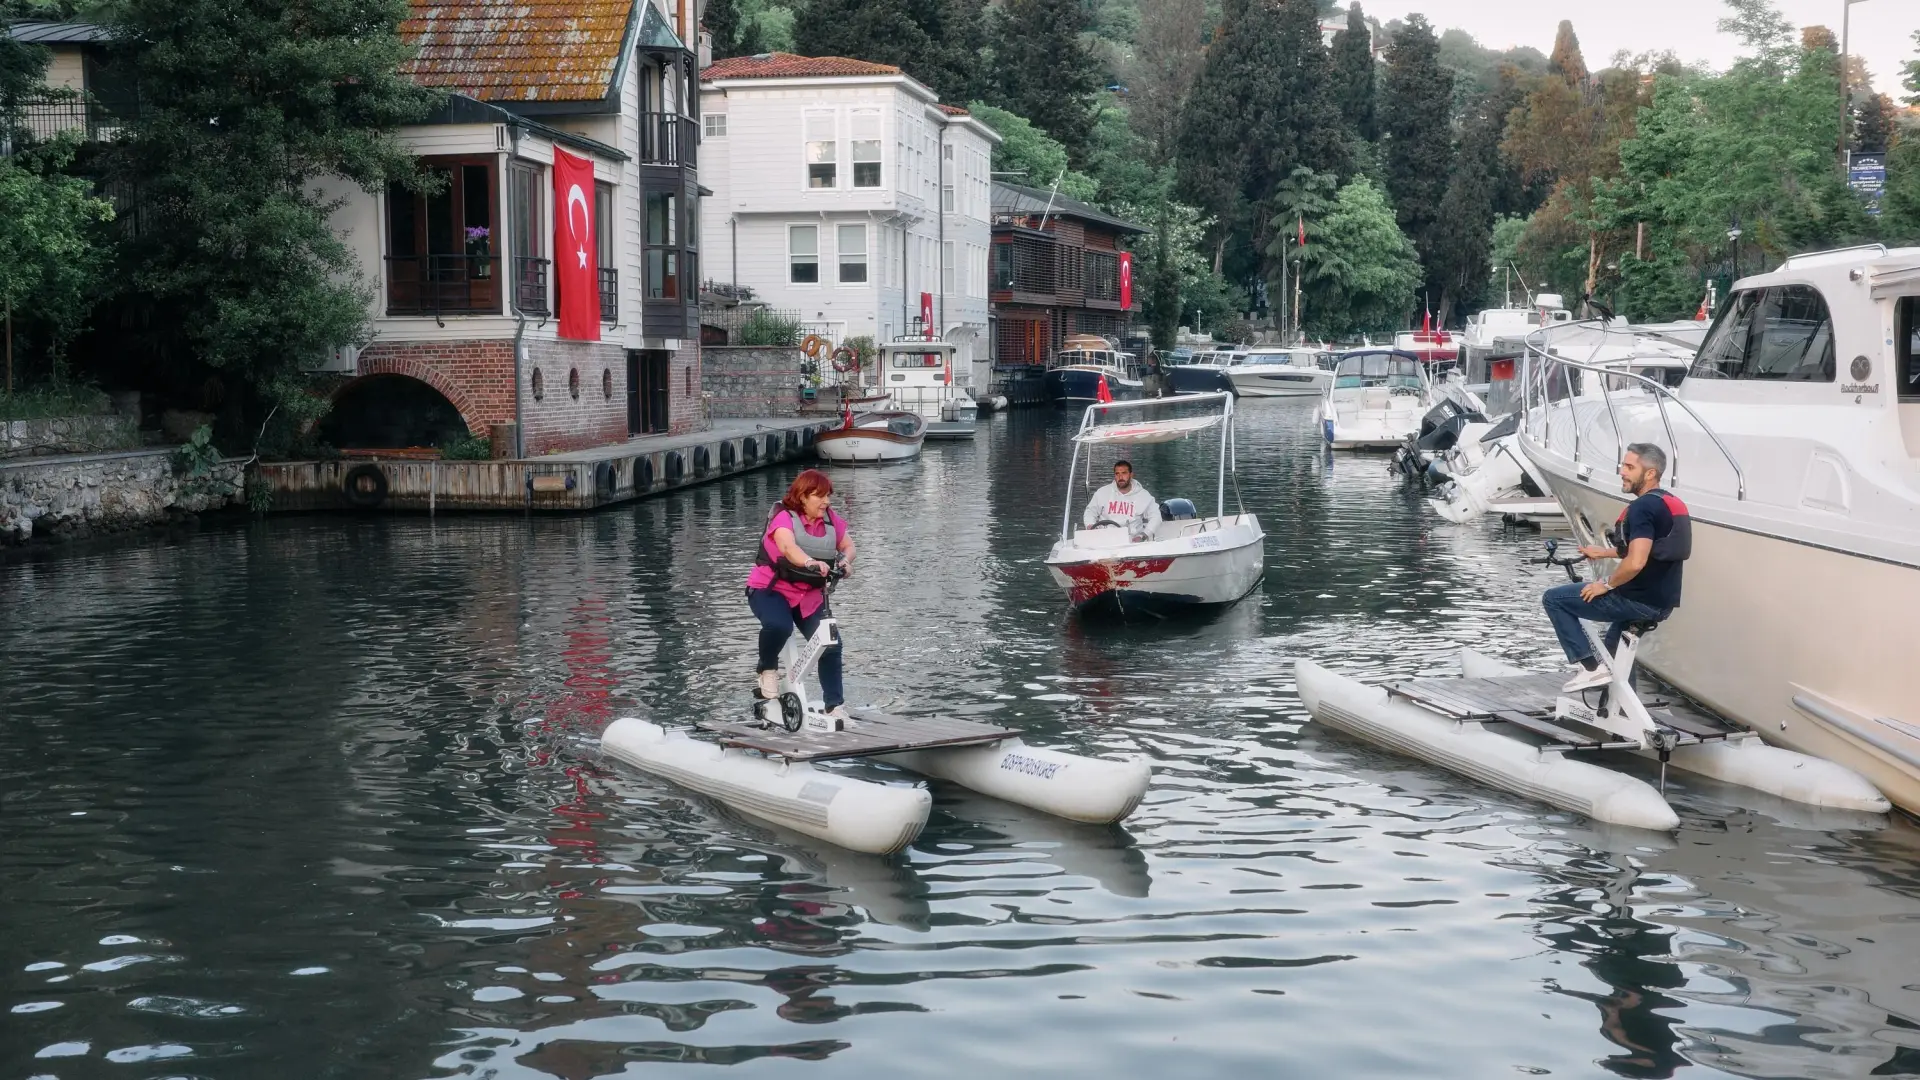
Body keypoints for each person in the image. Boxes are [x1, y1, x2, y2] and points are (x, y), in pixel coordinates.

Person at [1542, 443, 1690, 692]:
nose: (1622, 471)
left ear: (1650, 473)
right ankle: (1619, 711)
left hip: (1637, 599)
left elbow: (1636, 562)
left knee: (1554, 600)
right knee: (1615, 646)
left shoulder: (1643, 507)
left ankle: (1589, 669)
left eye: (1630, 467)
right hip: (1661, 602)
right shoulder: (1669, 502)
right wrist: (1604, 552)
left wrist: (1605, 584)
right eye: (1623, 465)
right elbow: (1649, 549)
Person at [746, 469, 857, 719]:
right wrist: (810, 562)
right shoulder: (784, 517)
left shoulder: (829, 519)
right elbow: (787, 546)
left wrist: (846, 562)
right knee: (779, 626)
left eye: (828, 495)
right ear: (803, 496)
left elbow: (849, 546)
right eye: (820, 496)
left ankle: (834, 706)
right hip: (770, 589)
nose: (827, 501)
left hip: (808, 595)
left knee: (831, 644)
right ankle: (767, 669)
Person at [1082, 460, 1162, 542]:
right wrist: (1090, 526)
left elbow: (1156, 517)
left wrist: (1144, 535)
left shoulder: (1143, 495)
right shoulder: (1103, 492)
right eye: (1117, 474)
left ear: (1131, 475)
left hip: (1131, 542)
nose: (1120, 477)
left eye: (1124, 473)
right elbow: (1090, 512)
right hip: (1103, 539)